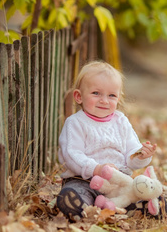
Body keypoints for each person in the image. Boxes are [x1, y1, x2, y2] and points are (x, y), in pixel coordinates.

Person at [57, 60, 160, 220]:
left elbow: (131, 154)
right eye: (96, 93)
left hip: (118, 183)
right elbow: (72, 155)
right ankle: (81, 206)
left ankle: (143, 205)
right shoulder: (75, 123)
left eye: (111, 95)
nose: (104, 100)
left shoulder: (121, 121)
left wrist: (141, 156)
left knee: (136, 190)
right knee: (75, 191)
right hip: (85, 180)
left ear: (119, 98)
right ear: (78, 96)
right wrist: (96, 169)